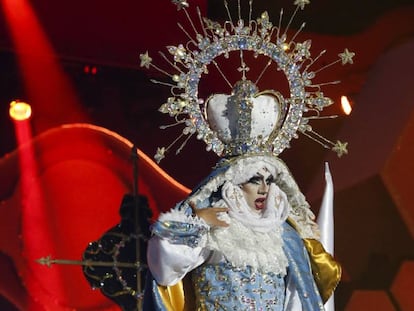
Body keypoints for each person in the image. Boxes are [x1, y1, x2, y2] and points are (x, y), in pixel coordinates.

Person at [144, 155, 341, 310]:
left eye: (269, 180)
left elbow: (297, 298)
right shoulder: (216, 227)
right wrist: (197, 224)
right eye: (255, 180)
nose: (264, 189)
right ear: (235, 185)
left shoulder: (284, 236)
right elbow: (164, 270)